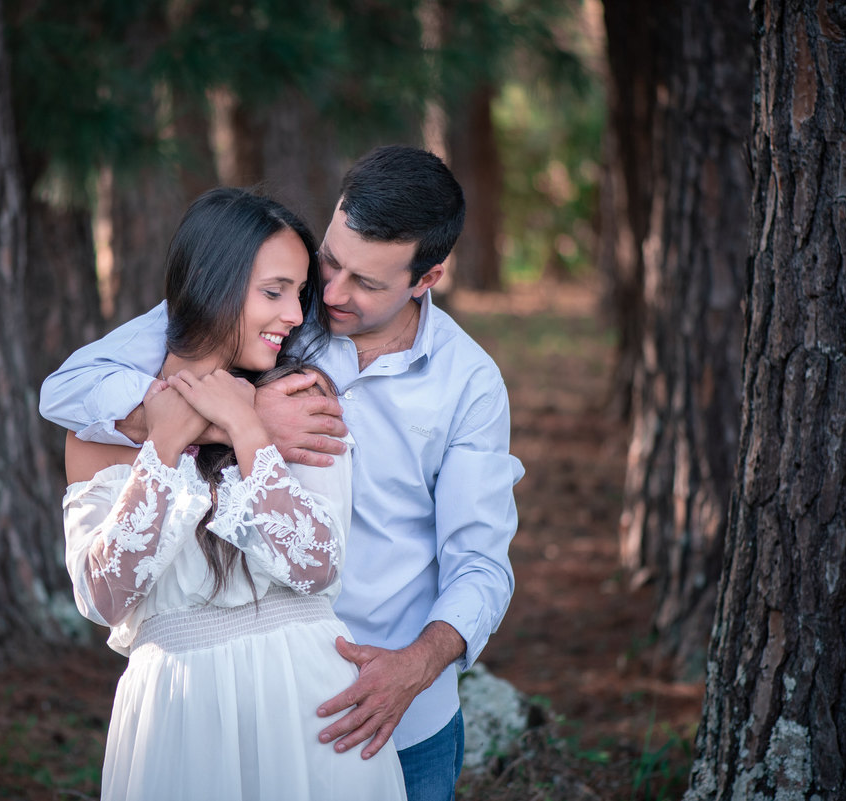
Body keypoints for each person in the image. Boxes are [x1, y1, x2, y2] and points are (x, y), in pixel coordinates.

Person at [42, 146, 524, 801]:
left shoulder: (468, 384)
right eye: (330, 260)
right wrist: (238, 416)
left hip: (389, 712)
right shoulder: (265, 314)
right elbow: (70, 390)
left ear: (426, 277)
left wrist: (416, 666)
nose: (327, 296)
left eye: (366, 282)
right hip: (207, 708)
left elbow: (479, 563)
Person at [60, 186, 407, 801]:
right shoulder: (101, 431)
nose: (297, 316)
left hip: (309, 706)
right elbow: (105, 596)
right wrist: (164, 448)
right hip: (179, 715)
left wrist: (248, 429)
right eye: (273, 292)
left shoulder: (301, 400)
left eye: (298, 295)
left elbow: (317, 564)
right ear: (209, 284)